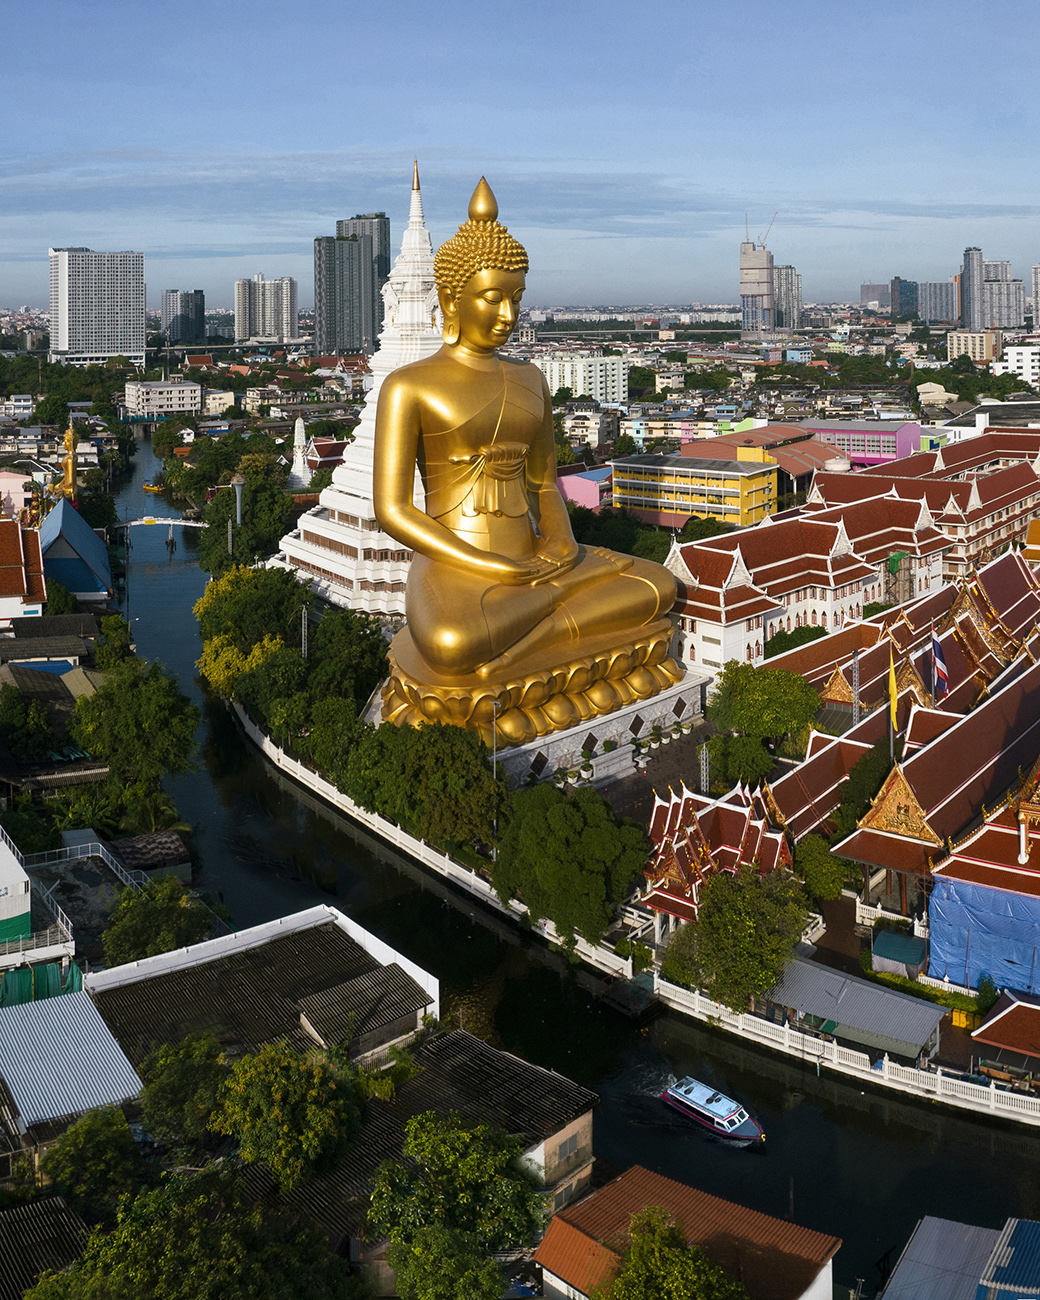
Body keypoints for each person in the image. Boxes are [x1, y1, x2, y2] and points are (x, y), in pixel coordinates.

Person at [374, 178, 677, 716]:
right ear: (450, 298)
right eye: (493, 299)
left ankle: (530, 641)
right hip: (456, 568)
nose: (508, 316)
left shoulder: (531, 376)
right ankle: (539, 631)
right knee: (451, 645)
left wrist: (560, 545)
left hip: (534, 558)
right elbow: (391, 510)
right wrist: (490, 566)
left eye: (515, 300)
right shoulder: (409, 385)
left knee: (657, 585)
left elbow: (543, 484)